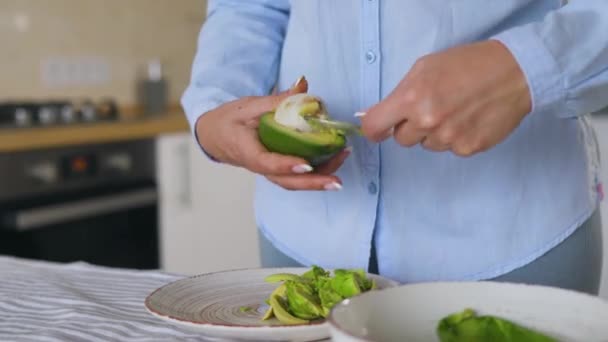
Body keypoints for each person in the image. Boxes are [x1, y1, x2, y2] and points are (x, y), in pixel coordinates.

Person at [181, 0, 607, 295]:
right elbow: (249, 7)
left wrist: (528, 69)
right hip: (304, 244)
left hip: (514, 241)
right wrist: (217, 102)